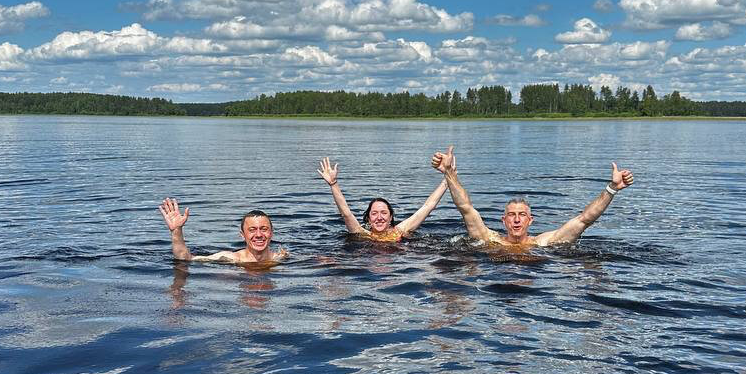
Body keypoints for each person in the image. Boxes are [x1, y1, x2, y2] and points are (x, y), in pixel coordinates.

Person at [430, 148, 634, 248]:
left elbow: (584, 219)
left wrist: (612, 188)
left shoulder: (543, 243)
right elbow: (466, 208)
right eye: (511, 215)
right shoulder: (490, 239)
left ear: (530, 220)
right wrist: (448, 172)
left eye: (521, 215)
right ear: (504, 220)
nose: (516, 219)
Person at [318, 151, 452, 243]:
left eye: (384, 213)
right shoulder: (362, 234)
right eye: (374, 213)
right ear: (368, 219)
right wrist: (333, 184)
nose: (379, 217)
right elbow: (346, 214)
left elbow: (428, 206)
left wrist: (449, 176)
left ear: (391, 217)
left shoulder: (400, 231)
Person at [157, 198, 288, 267]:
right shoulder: (230, 258)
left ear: (271, 233)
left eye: (264, 229)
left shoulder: (281, 258)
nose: (259, 235)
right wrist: (176, 230)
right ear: (242, 235)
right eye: (252, 230)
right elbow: (184, 259)